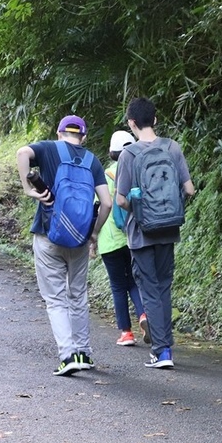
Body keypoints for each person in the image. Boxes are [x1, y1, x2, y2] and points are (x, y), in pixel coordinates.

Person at [16, 115, 112, 376]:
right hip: (79, 239)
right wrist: (94, 233)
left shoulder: (48, 148)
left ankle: (67, 355)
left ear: (59, 133)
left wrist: (27, 187)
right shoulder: (93, 161)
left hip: (48, 234)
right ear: (84, 136)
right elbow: (106, 204)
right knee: (78, 295)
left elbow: (22, 152)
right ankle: (84, 352)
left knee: (56, 299)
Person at [115, 97, 195, 370]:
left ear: (131, 124)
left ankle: (162, 352)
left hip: (141, 232)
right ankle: (166, 348)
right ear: (156, 120)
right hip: (169, 229)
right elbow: (190, 189)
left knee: (149, 289)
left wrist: (139, 202)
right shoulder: (172, 148)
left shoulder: (129, 154)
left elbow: (121, 200)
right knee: (163, 288)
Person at [96, 130, 146, 346]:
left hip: (109, 239)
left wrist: (93, 234)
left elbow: (99, 205)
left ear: (111, 152)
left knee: (118, 285)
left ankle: (126, 333)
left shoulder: (106, 174)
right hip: (134, 235)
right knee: (134, 280)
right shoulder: (139, 170)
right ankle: (144, 315)